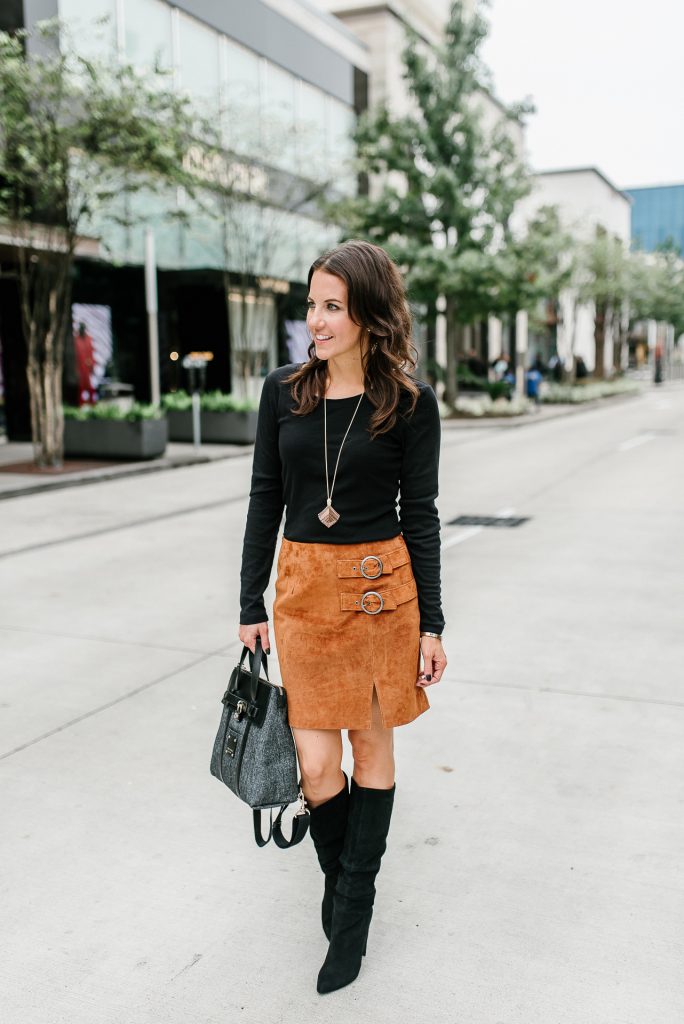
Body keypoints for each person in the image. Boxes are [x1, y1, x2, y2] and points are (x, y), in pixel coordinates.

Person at [238, 239, 447, 994]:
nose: (315, 320)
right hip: (301, 595)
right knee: (318, 767)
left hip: (378, 594)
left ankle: (350, 917)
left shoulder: (410, 404)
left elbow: (419, 515)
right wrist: (247, 601)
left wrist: (433, 623)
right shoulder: (282, 392)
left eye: (332, 306)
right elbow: (266, 495)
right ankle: (344, 882)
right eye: (311, 304)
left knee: (370, 748)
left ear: (367, 314)